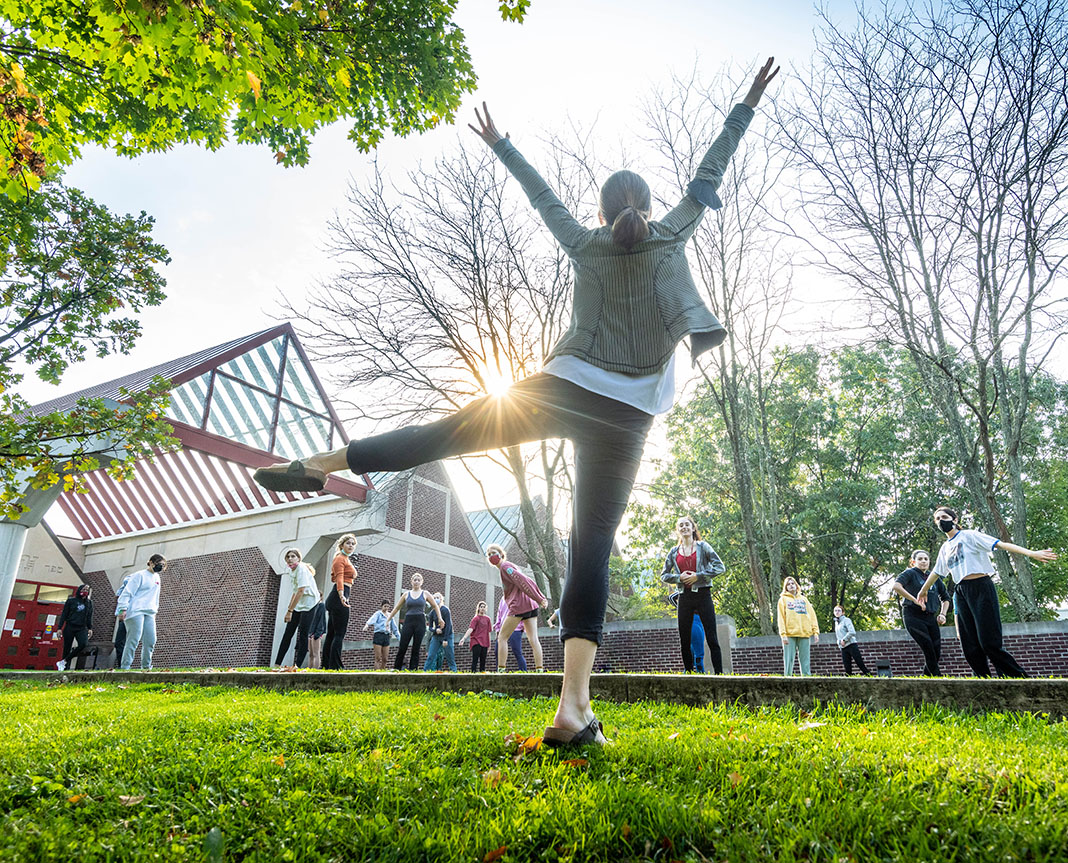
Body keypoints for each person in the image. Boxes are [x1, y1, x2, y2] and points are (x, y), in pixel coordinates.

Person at [252, 59, 780, 745]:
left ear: (602, 211)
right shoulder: (672, 231)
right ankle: (573, 706)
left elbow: (541, 198)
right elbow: (709, 175)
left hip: (561, 387)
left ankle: (322, 460)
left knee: (445, 433)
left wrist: (502, 144)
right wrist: (746, 101)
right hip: (627, 414)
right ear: (646, 208)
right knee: (592, 544)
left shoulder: (586, 242)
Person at [916, 507, 1057, 679]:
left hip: (981, 587)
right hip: (961, 591)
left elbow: (1000, 544)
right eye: (937, 519)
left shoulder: (969, 536)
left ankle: (1019, 679)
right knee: (969, 646)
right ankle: (984, 682)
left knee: (989, 643)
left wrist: (1031, 553)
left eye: (944, 517)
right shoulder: (945, 548)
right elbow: (937, 572)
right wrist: (923, 590)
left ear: (954, 519)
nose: (940, 521)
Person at [661, 515, 726, 674]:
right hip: (684, 597)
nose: (684, 527)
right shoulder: (674, 552)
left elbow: (720, 567)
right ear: (678, 530)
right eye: (681, 525)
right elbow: (664, 575)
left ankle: (720, 675)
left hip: (703, 596)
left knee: (712, 637)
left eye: (687, 525)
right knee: (684, 639)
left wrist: (699, 576)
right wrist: (679, 578)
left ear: (693, 528)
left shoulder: (703, 547)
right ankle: (689, 674)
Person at [488, 545, 547, 673]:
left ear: (501, 554)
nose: (491, 555)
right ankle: (539, 669)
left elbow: (523, 581)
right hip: (530, 605)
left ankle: (501, 669)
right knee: (533, 638)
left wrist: (539, 597)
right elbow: (526, 580)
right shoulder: (508, 566)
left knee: (502, 637)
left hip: (520, 606)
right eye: (489, 554)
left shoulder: (505, 567)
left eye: (494, 552)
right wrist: (538, 598)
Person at [892, 550, 950, 676]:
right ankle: (939, 680)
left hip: (930, 618)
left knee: (936, 652)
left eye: (926, 559)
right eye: (920, 559)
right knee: (928, 649)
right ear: (913, 562)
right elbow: (896, 586)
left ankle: (926, 679)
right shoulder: (910, 573)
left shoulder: (933, 577)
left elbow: (946, 598)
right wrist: (915, 600)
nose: (923, 561)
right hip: (913, 616)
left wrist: (943, 614)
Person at [117, 554, 166, 671]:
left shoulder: (157, 578)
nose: (160, 567)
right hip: (135, 610)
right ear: (151, 563)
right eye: (159, 565)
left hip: (149, 611)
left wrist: (155, 609)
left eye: (163, 566)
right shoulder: (139, 575)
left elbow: (155, 597)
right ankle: (125, 667)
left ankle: (146, 667)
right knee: (134, 639)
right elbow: (127, 592)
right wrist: (122, 609)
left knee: (150, 640)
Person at [275, 548, 323, 668]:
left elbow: (301, 591)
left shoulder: (301, 569)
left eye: (293, 556)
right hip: (299, 604)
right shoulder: (292, 570)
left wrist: (290, 610)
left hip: (310, 603)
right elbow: (295, 591)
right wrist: (289, 610)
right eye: (288, 557)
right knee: (288, 633)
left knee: (303, 634)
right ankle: (277, 664)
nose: (290, 559)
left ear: (298, 558)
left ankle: (297, 666)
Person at [388, 573, 445, 670]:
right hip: (408, 621)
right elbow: (397, 608)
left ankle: (413, 669)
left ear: (421, 582)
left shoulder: (425, 593)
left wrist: (440, 618)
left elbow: (435, 606)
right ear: (411, 581)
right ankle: (397, 668)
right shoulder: (406, 594)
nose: (417, 581)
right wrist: (388, 619)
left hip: (420, 621)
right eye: (415, 579)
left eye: (419, 580)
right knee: (403, 645)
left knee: (416, 647)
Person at [322, 534, 358, 670]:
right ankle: (336, 666)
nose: (351, 546)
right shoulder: (339, 558)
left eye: (353, 544)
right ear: (342, 544)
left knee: (332, 634)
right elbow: (339, 577)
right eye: (348, 543)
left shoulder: (346, 559)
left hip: (338, 597)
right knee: (339, 634)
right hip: (338, 597)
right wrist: (342, 595)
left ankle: (326, 665)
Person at [777, 576, 819, 676]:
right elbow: (781, 618)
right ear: (785, 587)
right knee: (789, 660)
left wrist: (815, 631)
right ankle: (787, 680)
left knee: (805, 661)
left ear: (796, 585)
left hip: (804, 633)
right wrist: (783, 634)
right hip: (789, 634)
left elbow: (812, 615)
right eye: (788, 584)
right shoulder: (783, 600)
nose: (791, 586)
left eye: (792, 583)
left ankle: (806, 680)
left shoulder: (804, 599)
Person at [56, 584, 94, 671]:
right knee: (67, 647)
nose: (85, 591)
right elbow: (64, 614)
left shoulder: (89, 603)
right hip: (70, 626)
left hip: (82, 627)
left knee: (83, 644)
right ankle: (64, 668)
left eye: (87, 590)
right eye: (84, 589)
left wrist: (90, 628)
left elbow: (89, 616)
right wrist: (59, 628)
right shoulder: (71, 601)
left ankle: (64, 661)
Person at [833, 605, 871, 676]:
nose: (837, 612)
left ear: (843, 612)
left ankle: (870, 677)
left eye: (839, 610)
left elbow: (852, 632)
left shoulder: (846, 620)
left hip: (851, 645)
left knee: (860, 664)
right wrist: (839, 643)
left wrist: (844, 639)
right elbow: (838, 636)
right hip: (843, 647)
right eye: (835, 610)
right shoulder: (836, 623)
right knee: (847, 669)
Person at [423, 593, 457, 672]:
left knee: (450, 655)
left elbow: (448, 625)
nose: (436, 599)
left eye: (438, 597)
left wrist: (445, 639)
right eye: (434, 598)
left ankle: (454, 671)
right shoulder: (432, 613)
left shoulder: (445, 610)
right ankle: (425, 671)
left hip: (447, 635)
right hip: (436, 636)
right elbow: (430, 627)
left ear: (441, 599)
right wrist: (435, 630)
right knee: (431, 655)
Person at [363, 600, 400, 670]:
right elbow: (372, 619)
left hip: (386, 636)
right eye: (385, 606)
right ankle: (376, 673)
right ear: (381, 606)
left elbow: (394, 628)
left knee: (385, 658)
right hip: (378, 635)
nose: (386, 608)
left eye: (388, 607)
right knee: (378, 658)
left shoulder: (390, 616)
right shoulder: (378, 614)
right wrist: (367, 625)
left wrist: (400, 638)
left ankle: (382, 672)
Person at [494, 598, 528, 671]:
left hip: (515, 629)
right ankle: (500, 672)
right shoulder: (502, 599)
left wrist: (522, 625)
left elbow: (524, 612)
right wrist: (497, 629)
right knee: (497, 651)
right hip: (502, 630)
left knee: (517, 652)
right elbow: (499, 614)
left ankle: (524, 672)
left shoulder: (518, 597)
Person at [460, 601, 493, 672]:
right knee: (475, 660)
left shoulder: (488, 619)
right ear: (478, 608)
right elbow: (471, 629)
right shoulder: (476, 618)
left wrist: (489, 644)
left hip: (485, 643)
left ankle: (482, 676)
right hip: (476, 641)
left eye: (484, 607)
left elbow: (489, 632)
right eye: (481, 607)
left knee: (483, 661)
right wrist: (464, 638)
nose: (483, 608)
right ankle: (473, 674)